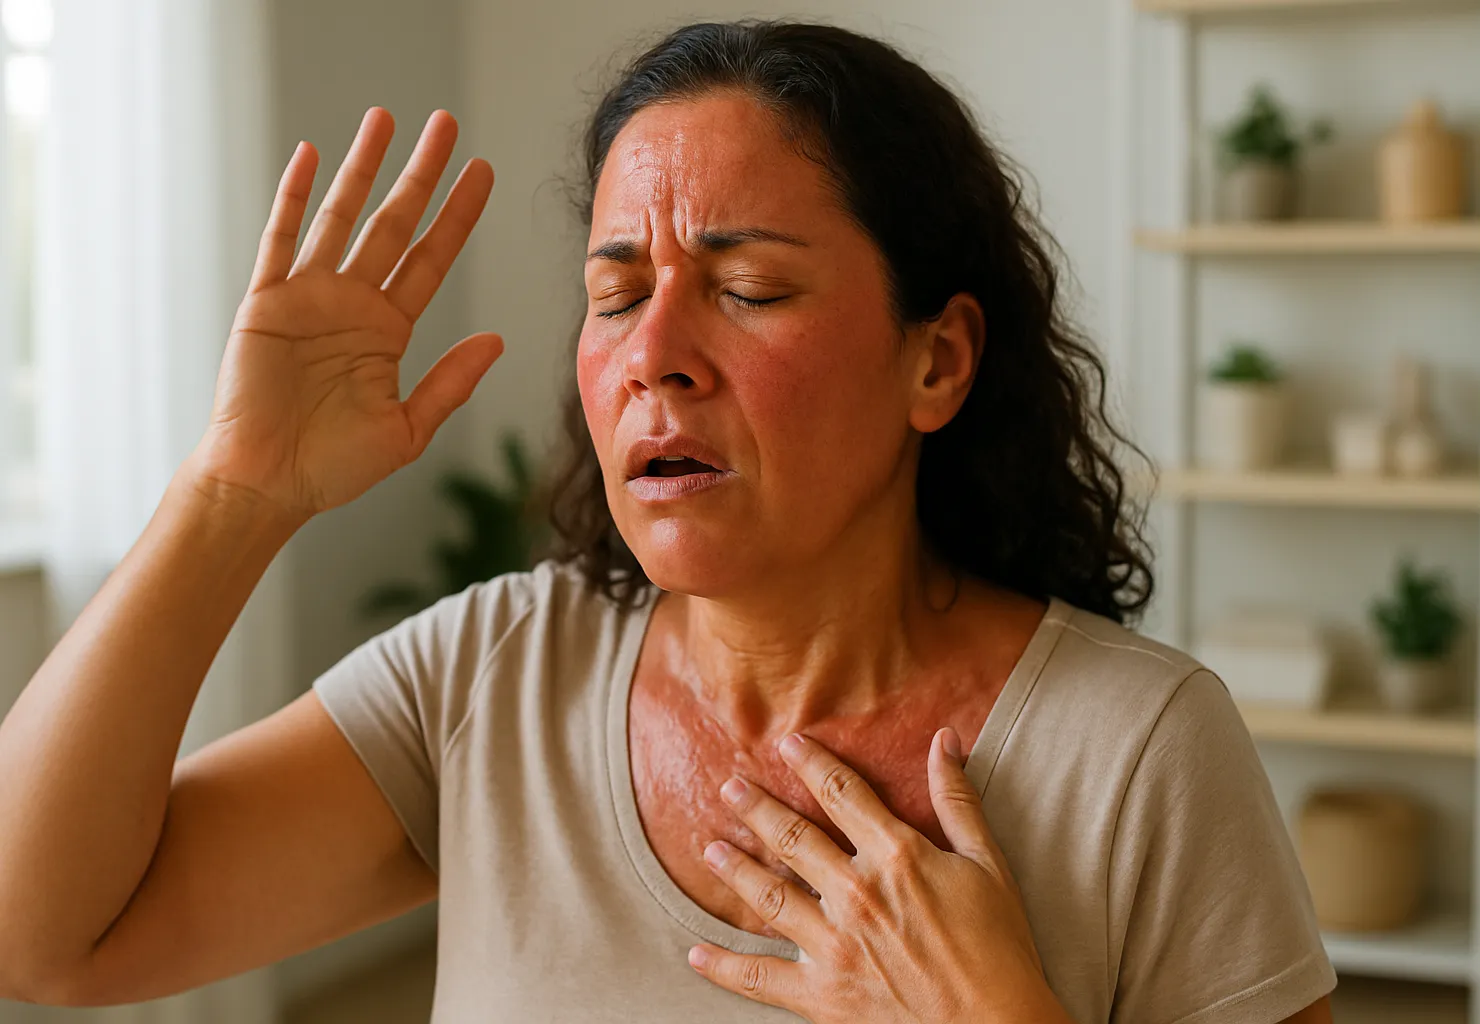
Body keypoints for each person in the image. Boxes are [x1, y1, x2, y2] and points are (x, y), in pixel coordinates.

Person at [0, 20, 1336, 1024]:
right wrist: (233, 491)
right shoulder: (493, 677)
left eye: (749, 286)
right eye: (617, 288)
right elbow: (44, 934)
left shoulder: (1142, 752)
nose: (657, 352)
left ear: (937, 363)